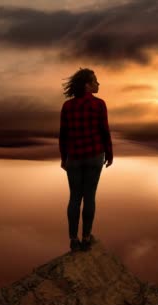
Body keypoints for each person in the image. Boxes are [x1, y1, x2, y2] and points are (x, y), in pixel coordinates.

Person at [59, 68, 113, 252]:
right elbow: (104, 131)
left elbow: (63, 136)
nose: (98, 84)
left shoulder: (67, 107)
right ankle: (86, 238)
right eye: (95, 81)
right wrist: (110, 153)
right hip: (94, 156)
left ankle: (73, 240)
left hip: (74, 157)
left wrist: (63, 158)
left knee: (75, 198)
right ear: (87, 86)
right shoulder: (99, 105)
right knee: (89, 197)